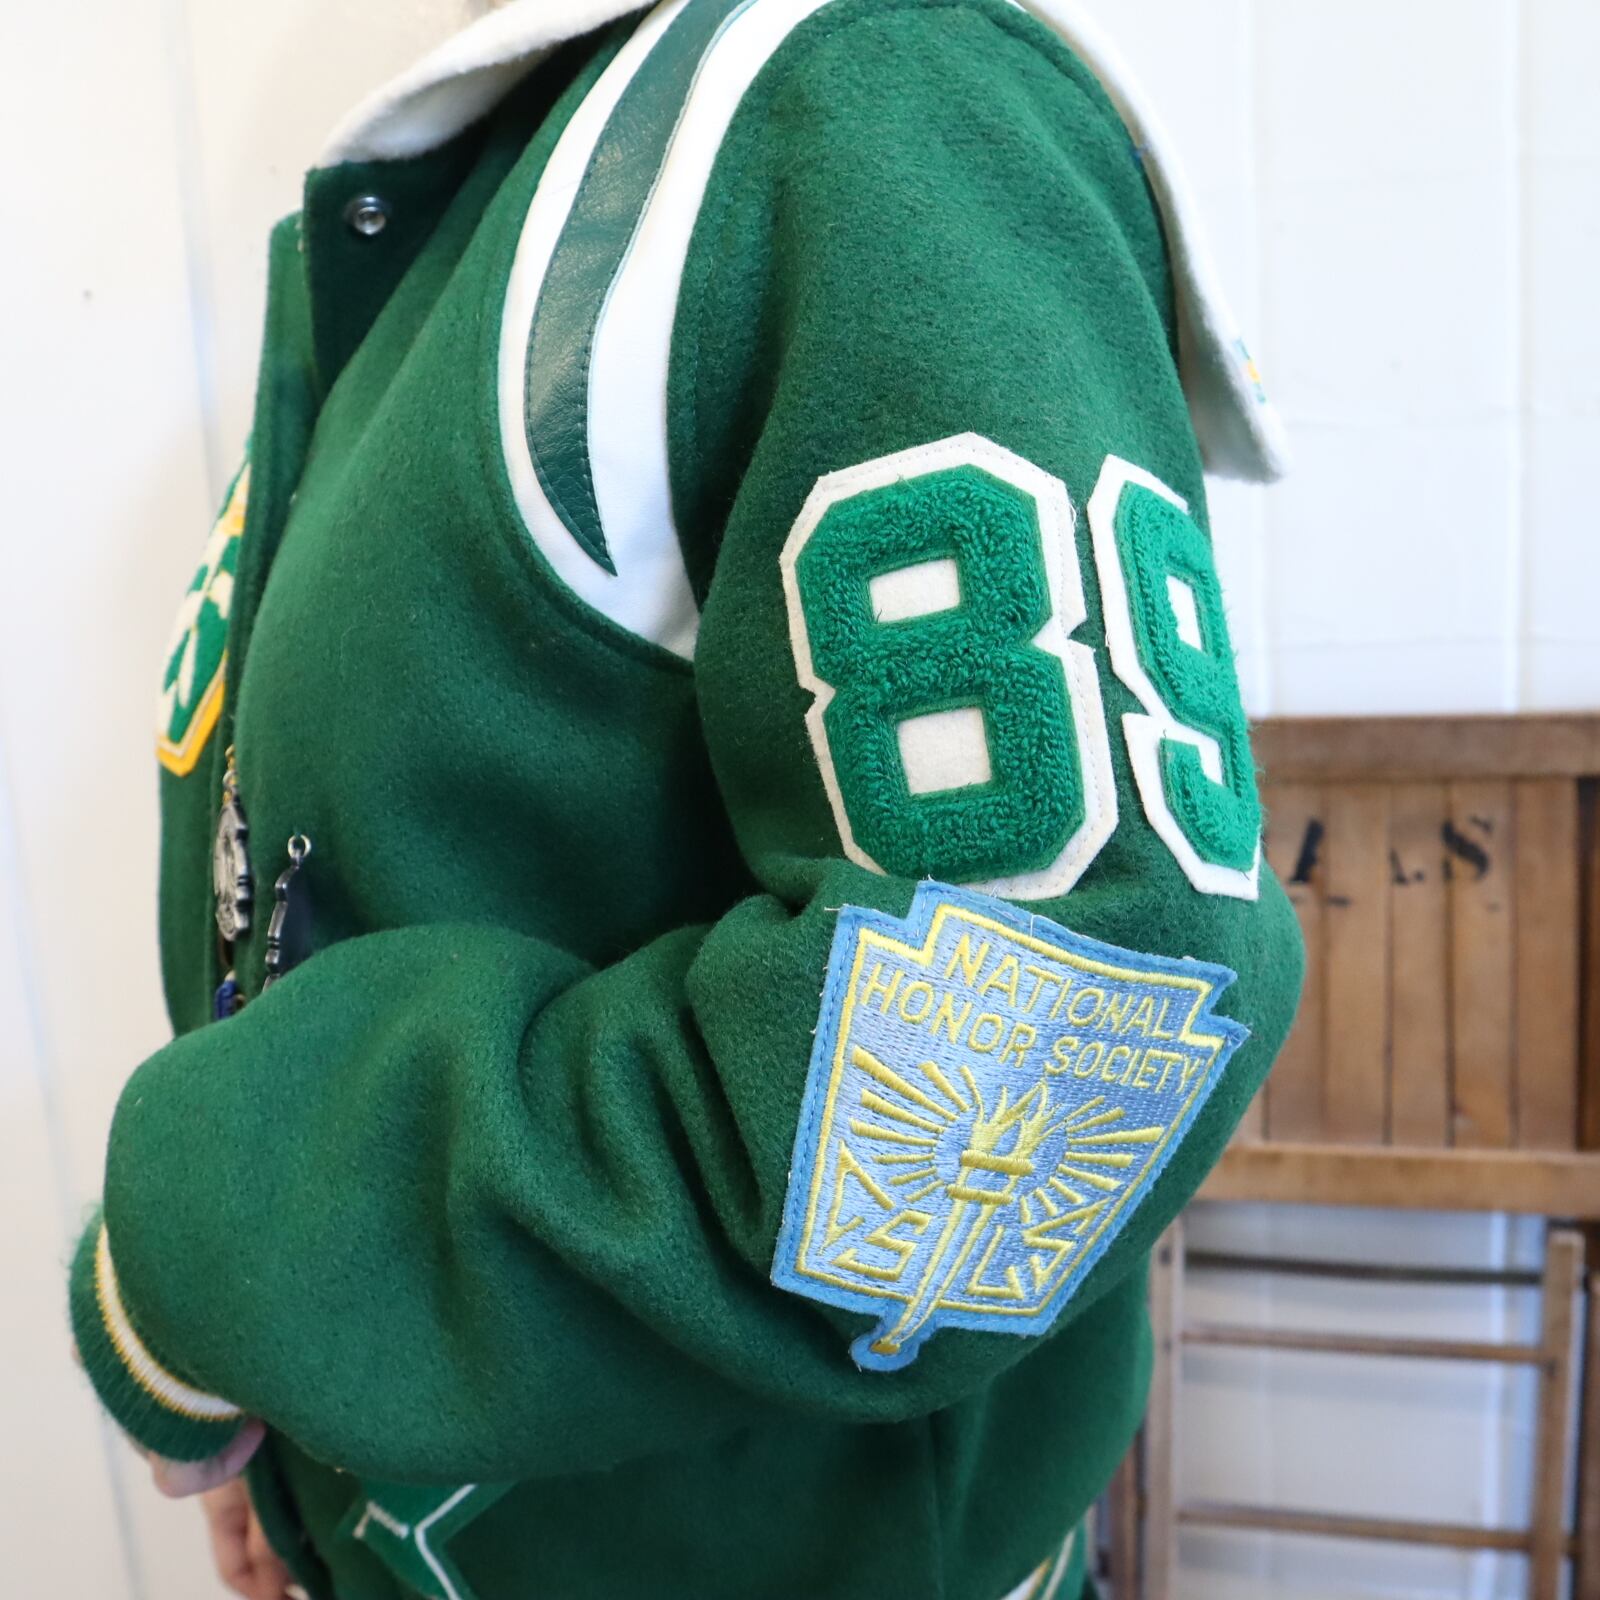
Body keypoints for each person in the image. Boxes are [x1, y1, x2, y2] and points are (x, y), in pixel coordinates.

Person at [68, 0, 1303, 1595]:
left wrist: (217, 1259)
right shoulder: (500, 173)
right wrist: (289, 1405)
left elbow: (1049, 1028)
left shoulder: (864, 102)